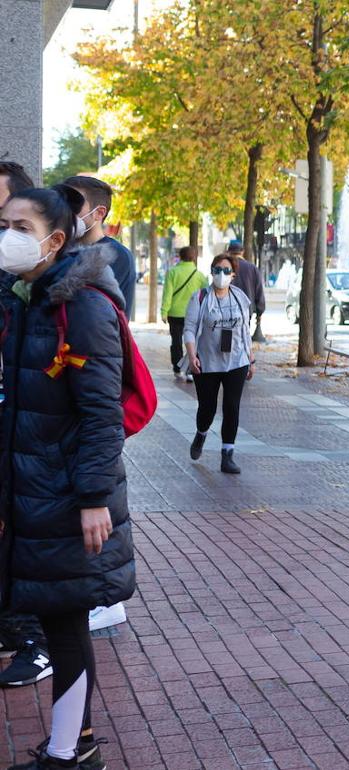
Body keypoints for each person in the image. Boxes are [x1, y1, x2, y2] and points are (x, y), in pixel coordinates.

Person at [0, 186, 134, 770]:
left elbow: (103, 412)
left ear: (56, 240)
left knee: (66, 619)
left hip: (64, 492)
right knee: (56, 616)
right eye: (4, 223)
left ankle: (70, 752)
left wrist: (92, 498)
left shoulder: (82, 306)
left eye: (19, 226)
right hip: (32, 486)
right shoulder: (30, 297)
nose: (7, 236)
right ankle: (72, 745)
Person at [0, 160, 52, 693]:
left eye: (11, 221)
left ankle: (34, 643)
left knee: (27, 534)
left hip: (26, 434)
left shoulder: (40, 291)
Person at [183, 253, 256, 475]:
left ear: (233, 275)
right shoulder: (200, 298)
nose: (221, 275)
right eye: (217, 270)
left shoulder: (240, 298)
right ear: (211, 272)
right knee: (208, 407)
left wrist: (250, 359)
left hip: (236, 360)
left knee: (231, 407)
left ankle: (227, 455)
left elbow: (245, 331)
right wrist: (192, 355)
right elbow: (189, 329)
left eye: (226, 271)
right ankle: (201, 433)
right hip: (207, 361)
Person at [63, 176, 136, 320]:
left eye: (74, 205)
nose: (65, 211)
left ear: (99, 213)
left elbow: (95, 313)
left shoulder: (117, 255)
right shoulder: (59, 249)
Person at [161, 246, 207, 383]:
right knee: (192, 342)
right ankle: (190, 370)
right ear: (193, 258)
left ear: (180, 257)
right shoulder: (199, 275)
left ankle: (177, 368)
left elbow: (167, 294)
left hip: (175, 313)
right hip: (194, 314)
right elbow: (205, 295)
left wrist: (164, 311)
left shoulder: (172, 272)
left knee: (176, 341)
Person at [227, 240, 267, 343]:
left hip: (226, 308)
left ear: (228, 252)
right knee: (243, 338)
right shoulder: (252, 268)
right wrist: (259, 310)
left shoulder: (226, 267)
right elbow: (259, 290)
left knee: (227, 340)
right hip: (245, 309)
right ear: (242, 251)